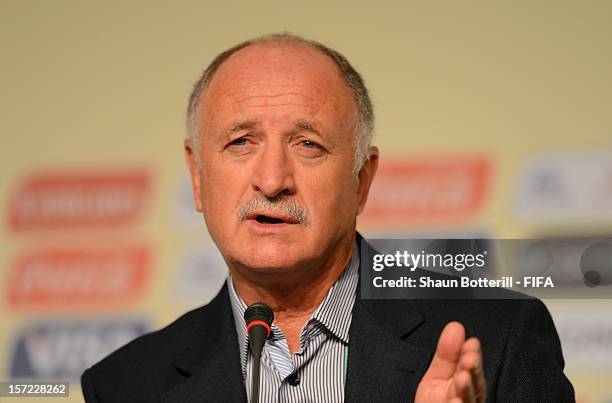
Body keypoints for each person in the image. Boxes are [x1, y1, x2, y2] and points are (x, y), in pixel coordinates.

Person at [81, 33, 575, 402]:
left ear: (362, 178)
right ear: (197, 175)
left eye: (308, 144)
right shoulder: (126, 385)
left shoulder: (498, 337)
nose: (272, 180)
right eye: (240, 142)